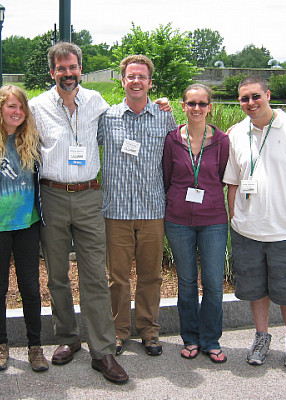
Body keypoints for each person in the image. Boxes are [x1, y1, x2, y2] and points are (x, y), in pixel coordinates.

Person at [29, 42, 129, 384]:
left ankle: (103, 351)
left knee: (94, 277)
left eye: (73, 68)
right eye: (61, 69)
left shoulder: (96, 102)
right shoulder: (36, 106)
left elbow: (124, 117)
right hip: (51, 195)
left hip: (88, 196)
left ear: (80, 69)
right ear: (52, 71)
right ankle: (67, 339)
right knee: (57, 274)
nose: (68, 74)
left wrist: (159, 105)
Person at [98, 55, 177, 357]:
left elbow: (175, 158)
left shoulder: (164, 117)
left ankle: (149, 330)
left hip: (152, 210)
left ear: (150, 83)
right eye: (131, 76)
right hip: (115, 211)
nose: (136, 81)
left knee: (150, 275)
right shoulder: (108, 117)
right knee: (116, 277)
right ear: (122, 80)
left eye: (141, 76)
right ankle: (119, 331)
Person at [223, 75, 286, 368]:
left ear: (267, 95)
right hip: (248, 230)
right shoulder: (236, 134)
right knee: (256, 291)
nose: (251, 103)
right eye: (244, 98)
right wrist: (234, 218)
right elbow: (232, 182)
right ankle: (261, 337)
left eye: (256, 96)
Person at [162, 83, 229, 363]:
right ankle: (190, 338)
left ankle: (211, 339)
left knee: (213, 283)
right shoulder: (172, 139)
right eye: (192, 103)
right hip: (178, 220)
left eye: (202, 103)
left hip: (213, 220)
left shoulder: (222, 141)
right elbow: (166, 176)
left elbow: (224, 176)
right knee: (187, 282)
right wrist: (177, 199)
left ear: (210, 107)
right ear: (183, 106)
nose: (197, 108)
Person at [0, 85, 49, 372]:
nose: (17, 112)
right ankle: (2, 344)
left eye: (21, 107)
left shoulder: (31, 139)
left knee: (30, 288)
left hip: (27, 225)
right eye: (11, 106)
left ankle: (35, 346)